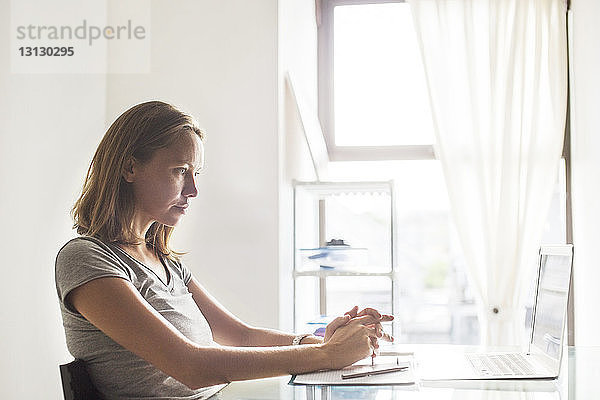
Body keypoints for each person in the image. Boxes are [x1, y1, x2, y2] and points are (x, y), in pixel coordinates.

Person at [55, 101, 394, 400]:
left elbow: (239, 335)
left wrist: (318, 341)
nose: (193, 189)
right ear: (129, 168)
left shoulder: (166, 263)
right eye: (180, 171)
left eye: (195, 173)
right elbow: (190, 366)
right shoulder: (86, 259)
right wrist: (327, 356)